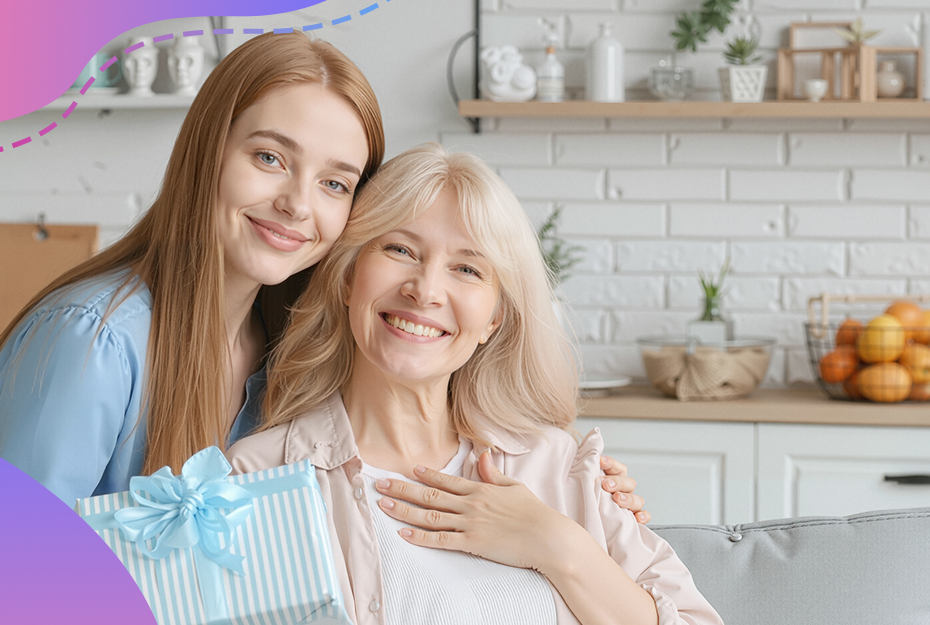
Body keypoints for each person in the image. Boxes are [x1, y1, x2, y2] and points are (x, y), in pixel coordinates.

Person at [0, 32, 648, 523]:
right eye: (270, 157)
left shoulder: (289, 344)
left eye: (334, 181)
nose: (298, 204)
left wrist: (578, 494)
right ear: (207, 151)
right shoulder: (92, 342)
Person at [226, 143, 721, 625]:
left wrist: (558, 546)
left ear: (493, 318)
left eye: (466, 268)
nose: (425, 289)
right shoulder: (257, 478)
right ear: (348, 277)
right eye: (400, 249)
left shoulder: (556, 465)